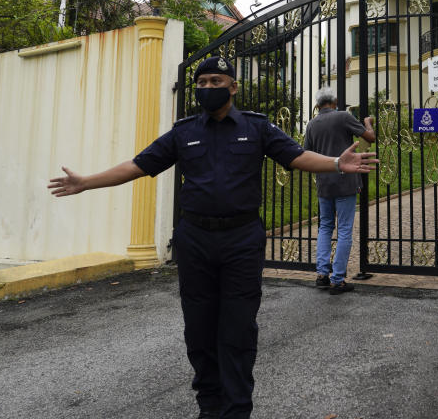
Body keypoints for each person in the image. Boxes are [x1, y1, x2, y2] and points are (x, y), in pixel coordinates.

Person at [47, 56, 377, 419]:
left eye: (216, 82)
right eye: (201, 83)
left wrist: (335, 163)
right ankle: (209, 407)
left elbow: (297, 157)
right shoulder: (184, 132)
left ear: (233, 87)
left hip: (241, 239)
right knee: (200, 330)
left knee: (238, 329)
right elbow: (138, 166)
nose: (207, 88)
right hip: (195, 241)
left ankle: (236, 410)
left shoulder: (257, 128)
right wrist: (86, 182)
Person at [303, 87, 376, 295]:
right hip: (345, 181)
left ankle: (322, 274)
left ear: (318, 105)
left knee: (325, 226)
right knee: (344, 229)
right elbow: (369, 137)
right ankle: (337, 280)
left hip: (324, 183)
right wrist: (368, 122)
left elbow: (307, 152)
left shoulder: (312, 124)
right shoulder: (343, 116)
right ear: (335, 102)